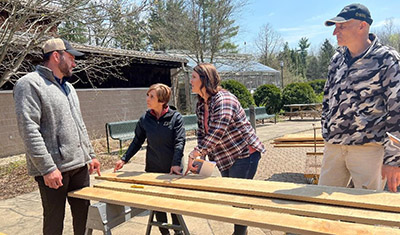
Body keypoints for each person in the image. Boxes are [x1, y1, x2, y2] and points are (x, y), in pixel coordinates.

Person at [13, 38, 101, 235]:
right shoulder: (29, 85)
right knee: (54, 223)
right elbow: (29, 129)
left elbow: (80, 124)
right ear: (56, 56)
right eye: (70, 58)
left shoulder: (69, 87)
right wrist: (47, 168)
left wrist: (90, 154)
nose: (74, 63)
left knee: (85, 219)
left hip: (79, 166)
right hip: (54, 171)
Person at [320, 3, 400, 192]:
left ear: (362, 26)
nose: (335, 33)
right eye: (335, 27)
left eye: (342, 26)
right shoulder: (336, 60)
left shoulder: (387, 60)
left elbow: (397, 111)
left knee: (367, 211)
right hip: (334, 147)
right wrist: (327, 132)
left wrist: (393, 158)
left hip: (368, 150)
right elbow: (327, 100)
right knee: (323, 208)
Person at [186, 63, 266, 235]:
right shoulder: (201, 104)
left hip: (245, 153)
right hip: (225, 155)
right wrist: (201, 158)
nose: (190, 81)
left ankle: (239, 233)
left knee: (239, 197)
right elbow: (202, 132)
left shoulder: (224, 99)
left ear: (204, 79)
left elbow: (218, 131)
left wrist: (197, 152)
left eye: (193, 77)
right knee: (232, 196)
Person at [114, 83, 186, 235]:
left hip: (173, 168)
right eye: (148, 95)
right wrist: (124, 159)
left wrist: (175, 164)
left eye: (151, 96)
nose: (147, 98)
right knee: (158, 204)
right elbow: (137, 141)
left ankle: (178, 231)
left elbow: (180, 142)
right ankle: (164, 232)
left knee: (174, 204)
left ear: (162, 100)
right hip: (153, 167)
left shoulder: (176, 118)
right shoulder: (145, 118)